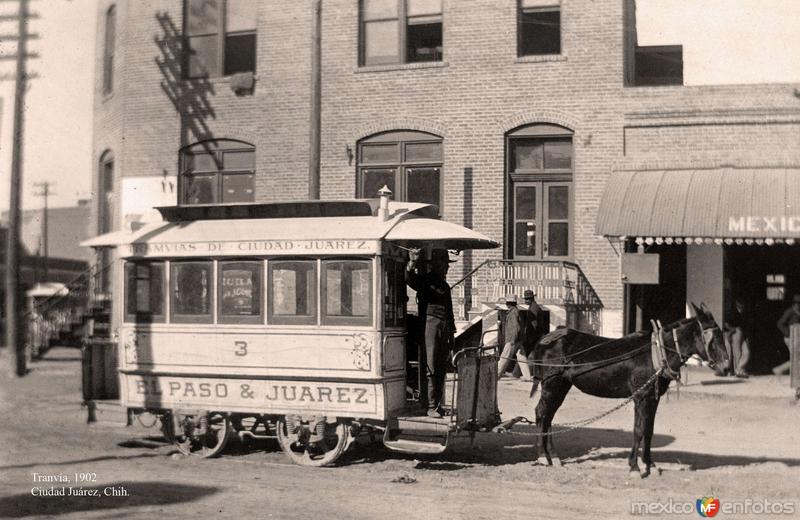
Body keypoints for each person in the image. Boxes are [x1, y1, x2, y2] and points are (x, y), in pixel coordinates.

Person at [406, 248, 456, 418]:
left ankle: (438, 405)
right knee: (431, 366)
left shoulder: (445, 285)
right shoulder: (426, 281)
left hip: (444, 327)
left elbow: (449, 312)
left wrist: (451, 335)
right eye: (444, 264)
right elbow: (409, 279)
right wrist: (412, 263)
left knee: (441, 367)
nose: (447, 268)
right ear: (436, 265)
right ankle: (431, 406)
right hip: (430, 325)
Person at [497, 294, 532, 380]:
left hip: (512, 339)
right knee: (522, 357)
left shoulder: (512, 313)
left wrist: (512, 339)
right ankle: (527, 376)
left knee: (504, 357)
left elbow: (516, 327)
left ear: (508, 303)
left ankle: (496, 374)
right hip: (518, 339)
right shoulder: (516, 311)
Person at [724, 298, 751, 378]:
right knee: (737, 353)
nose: (742, 306)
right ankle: (738, 371)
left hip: (742, 334)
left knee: (747, 352)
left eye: (743, 304)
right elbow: (726, 324)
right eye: (740, 304)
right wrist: (732, 330)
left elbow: (745, 327)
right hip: (735, 333)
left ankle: (739, 369)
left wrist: (746, 337)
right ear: (736, 304)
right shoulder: (732, 313)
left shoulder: (744, 314)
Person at [775, 294, 800, 375]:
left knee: (796, 357)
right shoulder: (789, 312)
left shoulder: (798, 312)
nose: (798, 305)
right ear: (794, 304)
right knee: (795, 357)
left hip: (797, 337)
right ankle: (782, 370)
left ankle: (781, 370)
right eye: (797, 303)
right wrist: (788, 333)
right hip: (790, 338)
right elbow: (779, 323)